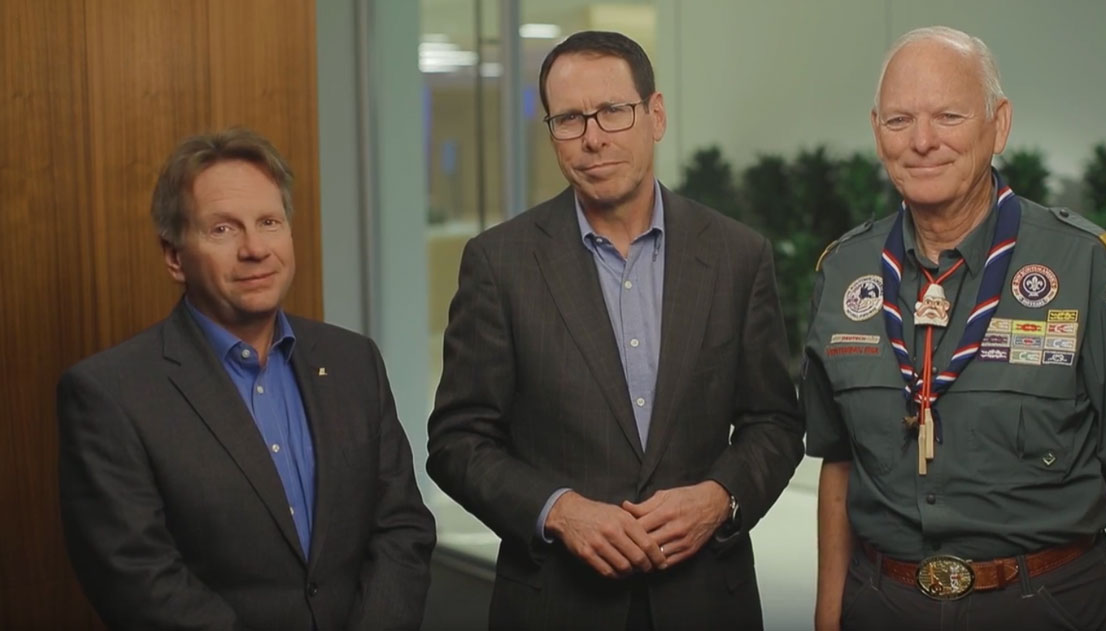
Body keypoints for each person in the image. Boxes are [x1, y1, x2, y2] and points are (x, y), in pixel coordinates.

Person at [804, 26, 1106, 630]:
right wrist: (827, 617)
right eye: (899, 120)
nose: (923, 141)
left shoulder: (1085, 265)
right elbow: (839, 464)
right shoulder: (844, 272)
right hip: (883, 604)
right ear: (877, 131)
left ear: (1000, 125)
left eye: (949, 116)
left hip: (1047, 605)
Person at [427, 30, 804, 630]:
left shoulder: (736, 256)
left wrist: (719, 498)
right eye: (569, 120)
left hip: (706, 601)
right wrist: (558, 511)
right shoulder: (500, 264)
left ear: (656, 115)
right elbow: (457, 441)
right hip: (557, 604)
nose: (593, 137)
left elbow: (775, 423)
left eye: (612, 111)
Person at [58, 128, 436, 630]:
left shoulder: (353, 361)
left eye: (269, 222)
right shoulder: (110, 394)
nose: (255, 248)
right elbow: (136, 579)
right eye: (223, 229)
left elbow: (401, 528)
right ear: (174, 256)